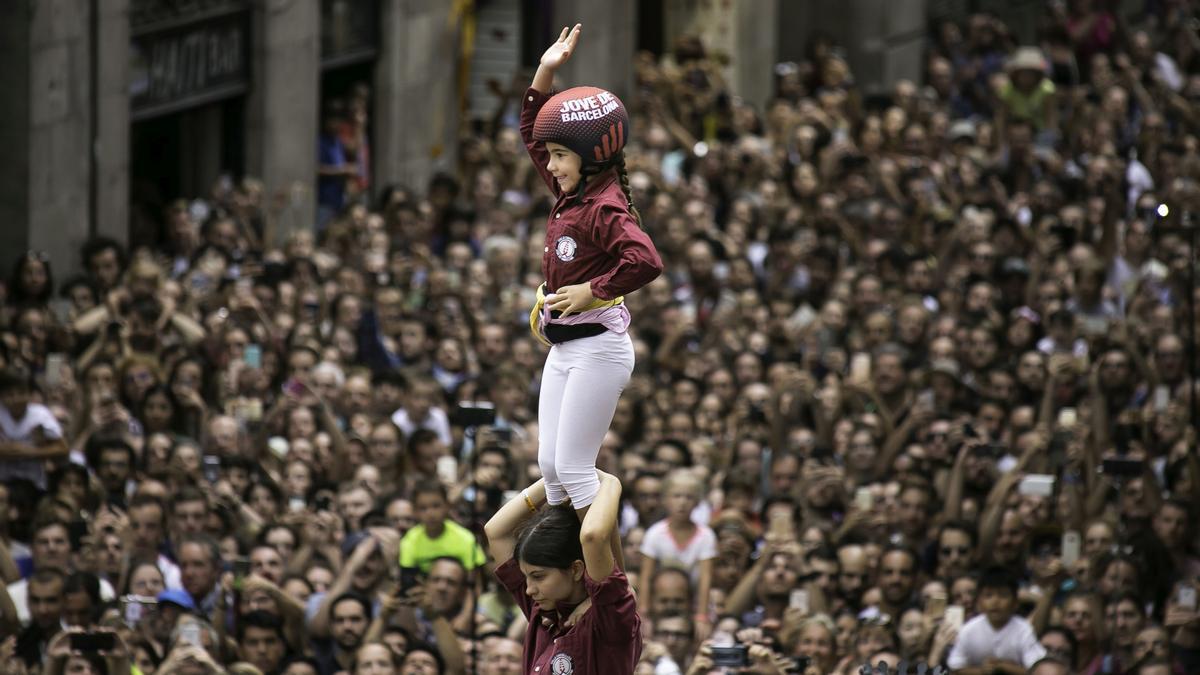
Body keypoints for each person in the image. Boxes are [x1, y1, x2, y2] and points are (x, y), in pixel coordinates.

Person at [522, 24, 663, 514]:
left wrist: (593, 291)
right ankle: (567, 572)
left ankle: (607, 577)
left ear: (589, 157)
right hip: (563, 346)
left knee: (577, 469)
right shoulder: (573, 189)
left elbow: (645, 260)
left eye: (561, 156)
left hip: (598, 349)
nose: (550, 164)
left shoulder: (604, 206)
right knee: (550, 466)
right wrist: (545, 71)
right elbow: (533, 135)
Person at [483, 473, 641, 674]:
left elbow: (593, 537)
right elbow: (495, 531)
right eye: (526, 576)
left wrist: (609, 482)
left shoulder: (608, 619)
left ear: (575, 569)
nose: (529, 590)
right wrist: (553, 476)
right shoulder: (542, 612)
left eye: (538, 576)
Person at [946, 566, 1047, 673]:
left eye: (1003, 595)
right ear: (979, 602)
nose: (995, 601)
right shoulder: (968, 630)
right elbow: (955, 669)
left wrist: (1003, 667)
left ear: (1015, 603)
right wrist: (981, 671)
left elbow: (1039, 671)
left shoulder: (1023, 630)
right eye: (988, 595)